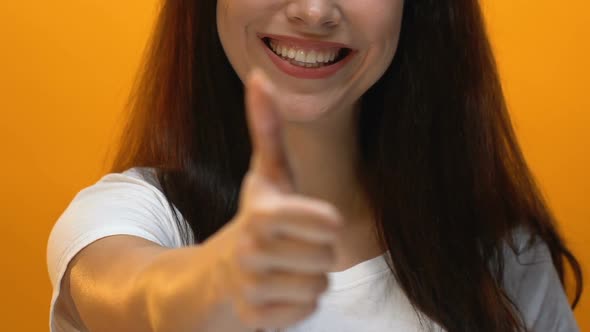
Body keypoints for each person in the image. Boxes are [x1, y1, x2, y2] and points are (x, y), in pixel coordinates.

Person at [46, 0, 583, 331]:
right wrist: (215, 283)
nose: (314, 10)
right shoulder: (128, 219)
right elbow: (140, 298)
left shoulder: (504, 260)